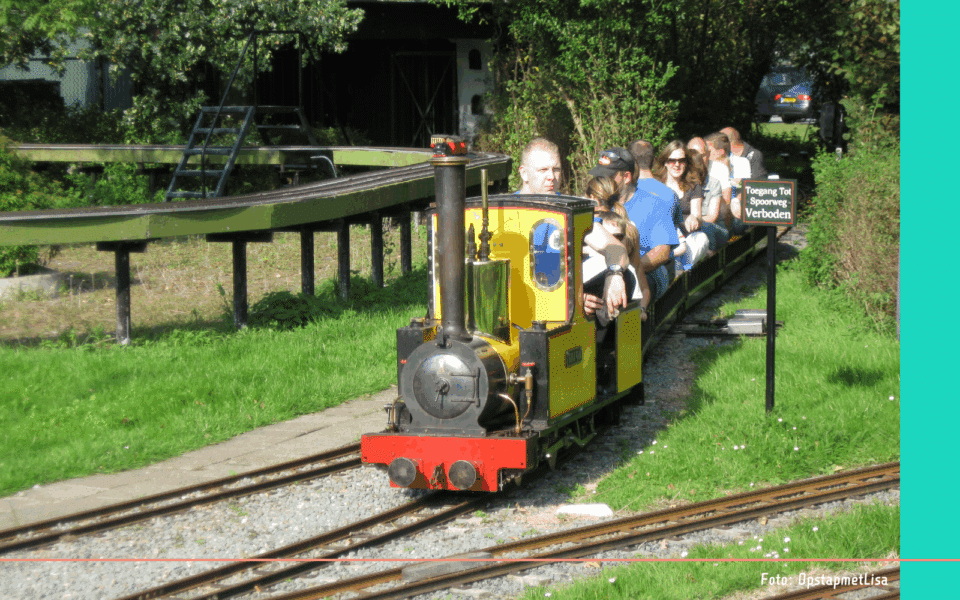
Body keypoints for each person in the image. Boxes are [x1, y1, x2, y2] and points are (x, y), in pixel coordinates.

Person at [516, 138, 629, 318]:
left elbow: (615, 248)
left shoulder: (570, 210)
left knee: (625, 276)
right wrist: (570, 300)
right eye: (543, 170)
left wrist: (614, 274)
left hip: (563, 314)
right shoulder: (503, 212)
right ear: (524, 173)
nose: (551, 177)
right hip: (519, 309)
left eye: (556, 169)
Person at [624, 140, 681, 300]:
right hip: (661, 267)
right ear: (654, 160)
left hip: (642, 267)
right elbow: (674, 235)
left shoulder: (624, 192)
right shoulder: (669, 194)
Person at [652, 141, 709, 270]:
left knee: (701, 238)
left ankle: (682, 271)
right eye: (672, 160)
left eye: (681, 161)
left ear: (687, 163)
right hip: (663, 236)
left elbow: (697, 215)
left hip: (687, 236)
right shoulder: (656, 185)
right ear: (665, 162)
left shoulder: (694, 185)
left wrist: (694, 218)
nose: (677, 165)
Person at [688, 137, 729, 252]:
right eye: (693, 157)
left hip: (715, 227)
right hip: (690, 226)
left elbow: (712, 217)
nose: (698, 161)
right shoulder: (683, 182)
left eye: (702, 156)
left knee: (705, 227)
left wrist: (693, 222)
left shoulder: (713, 182)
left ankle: (710, 264)